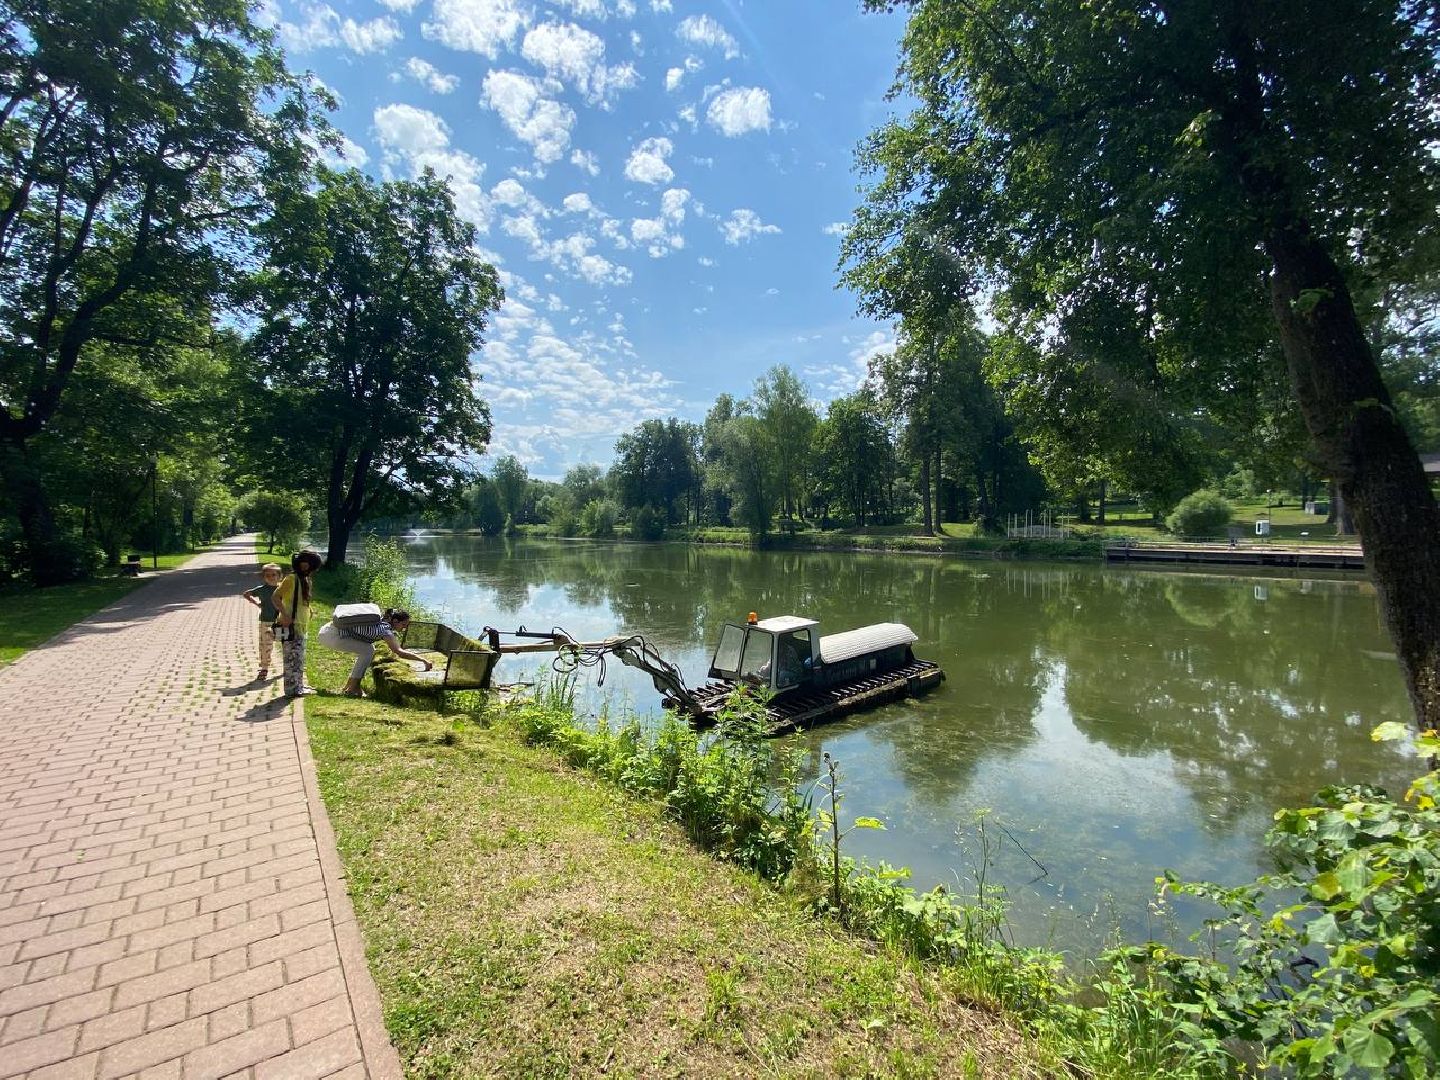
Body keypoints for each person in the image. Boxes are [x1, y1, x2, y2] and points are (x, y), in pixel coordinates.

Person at [317, 608, 433, 697]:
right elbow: (399, 652)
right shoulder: (385, 630)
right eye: (403, 625)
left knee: (367, 649)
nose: (404, 629)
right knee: (368, 650)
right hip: (331, 636)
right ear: (395, 621)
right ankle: (353, 688)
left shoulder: (379, 619)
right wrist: (423, 660)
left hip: (327, 630)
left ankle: (351, 686)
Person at [272, 549, 320, 697]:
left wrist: (309, 608)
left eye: (311, 564)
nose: (307, 566)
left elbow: (299, 599)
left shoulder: (304, 579)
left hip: (301, 624)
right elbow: (275, 597)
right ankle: (292, 689)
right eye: (306, 563)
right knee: (291, 658)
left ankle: (298, 686)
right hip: (291, 624)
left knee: (298, 658)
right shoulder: (291, 579)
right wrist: (285, 616)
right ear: (300, 563)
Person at [241, 563, 283, 681]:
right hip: (266, 621)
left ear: (280, 576)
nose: (270, 577)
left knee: (286, 644)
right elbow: (246, 594)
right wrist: (256, 603)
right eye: (267, 575)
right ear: (263, 577)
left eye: (274, 575)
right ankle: (264, 668)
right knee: (265, 646)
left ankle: (288, 666)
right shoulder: (262, 590)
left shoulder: (283, 589)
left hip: (281, 621)